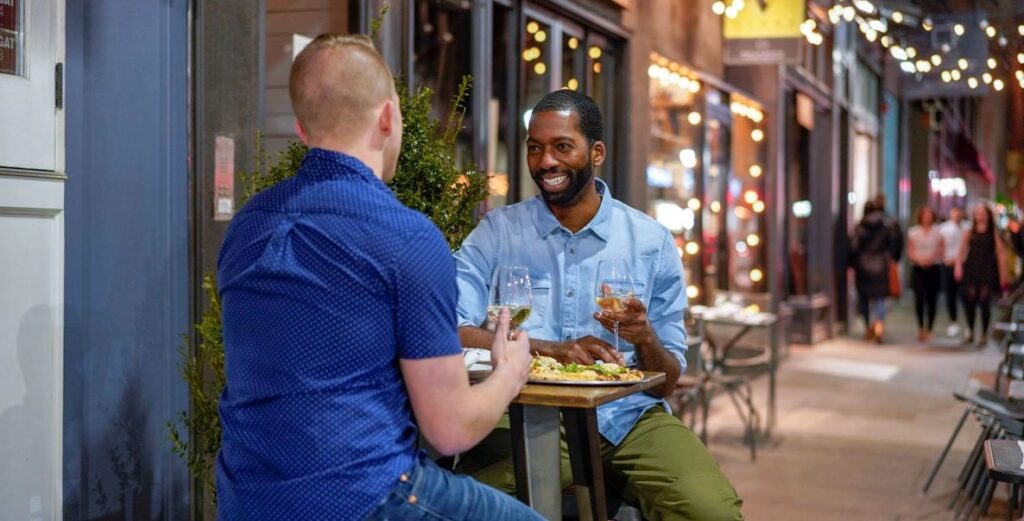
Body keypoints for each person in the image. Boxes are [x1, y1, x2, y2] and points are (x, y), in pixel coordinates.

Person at [214, 34, 543, 521]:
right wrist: (510, 372)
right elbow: (450, 430)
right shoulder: (406, 237)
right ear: (388, 117)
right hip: (365, 498)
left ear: (302, 129)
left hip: (247, 500)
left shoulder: (247, 225)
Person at [453, 89, 744, 521]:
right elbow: (449, 325)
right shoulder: (499, 232)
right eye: (535, 147)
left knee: (712, 510)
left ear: (597, 151)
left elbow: (667, 381)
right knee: (474, 505)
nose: (545, 161)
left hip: (625, 417)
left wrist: (645, 338)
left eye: (562, 146)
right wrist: (549, 348)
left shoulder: (649, 242)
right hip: (524, 412)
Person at [956, 204, 1009, 347]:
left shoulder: (994, 232)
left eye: (983, 213)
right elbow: (961, 250)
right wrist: (958, 266)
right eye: (978, 213)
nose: (981, 215)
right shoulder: (969, 231)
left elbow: (1001, 254)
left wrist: (1003, 274)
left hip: (987, 269)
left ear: (988, 215)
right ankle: (970, 331)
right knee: (970, 300)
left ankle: (984, 334)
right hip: (972, 268)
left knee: (984, 301)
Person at [850, 201, 897, 343]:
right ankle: (879, 324)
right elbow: (892, 246)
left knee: (864, 298)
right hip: (881, 265)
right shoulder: (886, 226)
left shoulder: (860, 227)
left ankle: (867, 326)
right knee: (880, 298)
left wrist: (853, 263)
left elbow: (854, 247)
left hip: (863, 266)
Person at [907, 206, 945, 342]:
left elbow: (941, 249)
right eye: (925, 215)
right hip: (918, 268)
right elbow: (910, 250)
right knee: (919, 299)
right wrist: (919, 259)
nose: (927, 218)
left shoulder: (938, 232)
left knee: (932, 299)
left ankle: (929, 328)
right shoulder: (913, 232)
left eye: (929, 215)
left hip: (933, 268)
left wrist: (930, 259)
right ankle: (920, 328)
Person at [938, 206, 969, 336]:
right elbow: (940, 246)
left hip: (964, 265)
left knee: (965, 295)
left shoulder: (968, 227)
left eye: (959, 212)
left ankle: (969, 324)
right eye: (954, 212)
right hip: (948, 264)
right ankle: (953, 321)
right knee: (950, 294)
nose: (957, 215)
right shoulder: (943, 228)